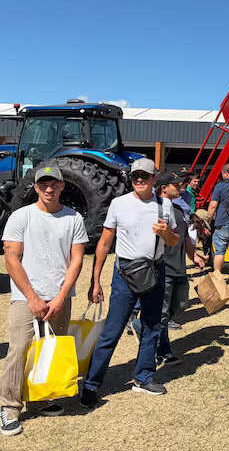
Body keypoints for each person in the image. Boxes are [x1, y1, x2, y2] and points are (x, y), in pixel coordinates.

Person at [81, 158, 178, 408]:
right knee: (112, 330)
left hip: (155, 271)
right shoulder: (119, 204)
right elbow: (104, 243)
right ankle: (91, 384)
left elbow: (174, 241)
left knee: (152, 327)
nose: (139, 181)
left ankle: (143, 378)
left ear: (154, 180)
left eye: (144, 177)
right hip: (125, 273)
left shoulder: (164, 205)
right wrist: (96, 281)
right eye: (135, 177)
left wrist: (164, 233)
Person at [1, 166, 88, 436]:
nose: (49, 189)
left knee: (49, 350)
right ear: (36, 187)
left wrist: (61, 296)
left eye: (54, 184)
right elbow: (11, 259)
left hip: (59, 299)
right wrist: (32, 298)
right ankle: (9, 407)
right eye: (44, 184)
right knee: (18, 350)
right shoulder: (21, 216)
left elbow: (76, 259)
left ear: (63, 186)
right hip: (26, 298)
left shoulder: (74, 218)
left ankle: (39, 400)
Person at [155, 172, 192, 364]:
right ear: (164, 188)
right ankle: (163, 351)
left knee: (181, 304)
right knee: (161, 312)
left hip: (180, 267)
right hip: (165, 267)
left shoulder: (177, 208)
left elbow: (184, 237)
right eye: (176, 186)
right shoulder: (155, 209)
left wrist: (195, 256)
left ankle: (142, 323)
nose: (181, 188)